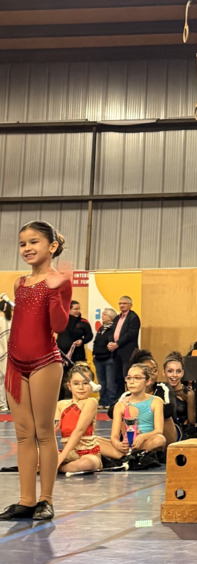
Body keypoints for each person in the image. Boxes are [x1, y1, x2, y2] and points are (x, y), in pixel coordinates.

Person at [0, 220, 72, 521]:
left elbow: (59, 325)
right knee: (23, 433)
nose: (27, 248)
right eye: (22, 244)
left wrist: (54, 293)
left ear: (52, 246)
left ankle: (46, 499)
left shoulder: (59, 282)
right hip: (15, 364)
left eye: (34, 242)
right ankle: (26, 500)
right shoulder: (19, 283)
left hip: (45, 362)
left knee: (43, 432)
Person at [109, 363, 167, 465]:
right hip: (127, 444)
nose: (131, 382)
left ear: (147, 381)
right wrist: (118, 445)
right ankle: (129, 454)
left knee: (160, 440)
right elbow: (114, 436)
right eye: (129, 378)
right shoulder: (120, 405)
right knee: (96, 441)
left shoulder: (156, 401)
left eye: (137, 378)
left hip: (147, 442)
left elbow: (159, 430)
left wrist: (142, 437)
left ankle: (130, 454)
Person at [55, 363, 102, 475]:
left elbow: (79, 431)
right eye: (76, 384)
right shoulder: (61, 404)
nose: (81, 388)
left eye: (85, 383)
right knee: (35, 454)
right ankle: (59, 466)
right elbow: (53, 430)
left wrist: (60, 458)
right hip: (68, 453)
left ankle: (60, 468)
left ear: (91, 385)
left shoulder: (91, 402)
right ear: (69, 386)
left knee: (91, 463)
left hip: (87, 453)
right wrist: (48, 453)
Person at [128, 348, 178, 447]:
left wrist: (151, 405)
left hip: (159, 434)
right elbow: (111, 412)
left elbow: (169, 410)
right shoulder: (129, 393)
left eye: (154, 370)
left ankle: (164, 449)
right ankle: (132, 447)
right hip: (136, 432)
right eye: (148, 370)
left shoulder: (163, 387)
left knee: (164, 419)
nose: (152, 373)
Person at [108, 295, 141, 399]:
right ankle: (120, 399)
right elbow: (111, 332)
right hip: (116, 352)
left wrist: (117, 344)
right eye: (120, 303)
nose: (122, 305)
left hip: (128, 352)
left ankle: (131, 398)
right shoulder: (117, 318)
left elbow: (131, 334)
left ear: (130, 305)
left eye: (124, 303)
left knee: (127, 376)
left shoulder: (133, 317)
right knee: (117, 377)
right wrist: (111, 342)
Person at [163, 352, 196, 433]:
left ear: (182, 373)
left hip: (183, 432)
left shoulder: (188, 393)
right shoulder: (160, 390)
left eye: (178, 371)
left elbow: (191, 422)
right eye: (170, 371)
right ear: (164, 373)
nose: (174, 375)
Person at [92, 307, 117, 410]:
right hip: (98, 358)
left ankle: (111, 402)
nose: (102, 316)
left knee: (110, 382)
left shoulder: (114, 328)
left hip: (109, 358)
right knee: (101, 382)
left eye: (105, 314)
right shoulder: (101, 328)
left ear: (111, 317)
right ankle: (102, 401)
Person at [56, 300, 93, 369]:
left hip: (77, 354)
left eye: (79, 309)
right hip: (62, 354)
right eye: (75, 309)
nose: (78, 311)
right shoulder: (62, 321)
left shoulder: (83, 322)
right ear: (68, 309)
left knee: (77, 372)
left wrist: (82, 341)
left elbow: (89, 336)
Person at [0, 295, 12, 413]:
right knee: (9, 381)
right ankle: (11, 404)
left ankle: (2, 404)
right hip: (11, 355)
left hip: (1, 354)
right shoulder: (12, 321)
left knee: (1, 381)